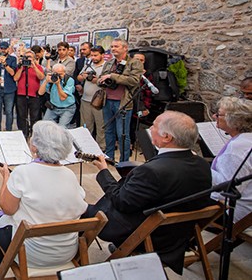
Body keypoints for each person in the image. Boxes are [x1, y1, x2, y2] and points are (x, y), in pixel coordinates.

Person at [84, 111, 213, 275]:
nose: (150, 128)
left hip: (149, 236)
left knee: (81, 209)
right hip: (178, 235)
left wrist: (103, 171)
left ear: (167, 137)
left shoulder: (152, 171)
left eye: (154, 126)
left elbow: (121, 202)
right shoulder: (202, 164)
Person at [0, 121, 88, 279]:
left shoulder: (23, 172)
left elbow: (7, 208)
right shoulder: (69, 175)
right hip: (66, 251)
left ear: (34, 147)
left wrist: (6, 178)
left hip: (31, 254)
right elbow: (80, 205)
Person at [98, 38, 143, 162]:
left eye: (116, 46)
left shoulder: (134, 63)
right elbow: (100, 78)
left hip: (123, 102)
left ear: (125, 48)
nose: (113, 49)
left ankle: (124, 161)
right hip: (107, 101)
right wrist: (102, 80)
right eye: (112, 46)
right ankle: (109, 158)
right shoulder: (109, 63)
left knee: (122, 133)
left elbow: (134, 80)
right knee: (108, 131)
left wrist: (113, 76)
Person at [210, 97, 252, 222]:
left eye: (218, 114)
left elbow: (228, 187)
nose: (214, 116)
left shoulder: (238, 147)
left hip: (236, 212)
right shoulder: (246, 139)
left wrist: (198, 165)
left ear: (234, 120)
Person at [76, 46, 106, 149]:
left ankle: (100, 149)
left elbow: (107, 82)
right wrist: (84, 76)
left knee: (101, 127)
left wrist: (96, 80)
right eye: (92, 55)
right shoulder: (88, 64)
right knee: (85, 126)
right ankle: (85, 147)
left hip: (99, 101)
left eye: (96, 55)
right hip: (85, 99)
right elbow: (79, 77)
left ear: (102, 55)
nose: (93, 57)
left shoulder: (106, 66)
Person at [13, 48, 45, 138]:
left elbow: (41, 77)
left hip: (34, 95)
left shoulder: (38, 67)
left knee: (34, 116)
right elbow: (15, 78)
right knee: (21, 116)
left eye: (30, 57)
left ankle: (34, 134)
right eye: (26, 57)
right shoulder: (20, 67)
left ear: (34, 58)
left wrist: (34, 66)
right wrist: (22, 68)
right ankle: (24, 133)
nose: (27, 59)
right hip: (21, 95)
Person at [38, 64, 76, 128]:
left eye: (60, 74)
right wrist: (46, 81)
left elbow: (63, 97)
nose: (58, 76)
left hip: (67, 108)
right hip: (53, 107)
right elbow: (40, 93)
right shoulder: (50, 80)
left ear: (64, 73)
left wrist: (58, 84)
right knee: (44, 125)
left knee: (62, 128)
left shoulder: (69, 80)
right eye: (56, 74)